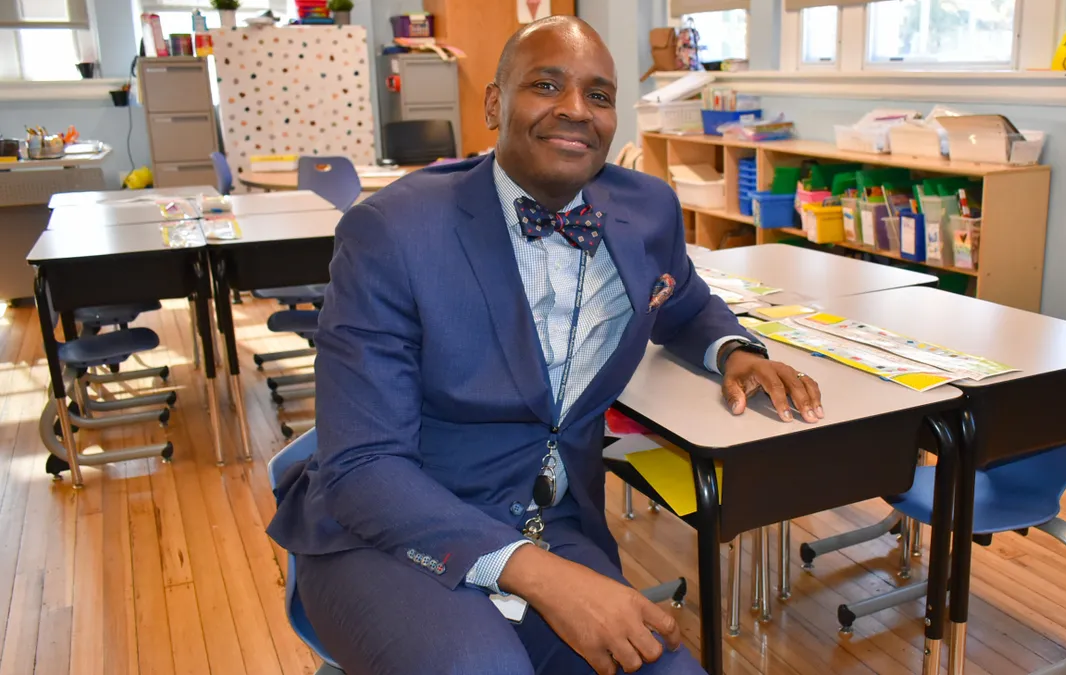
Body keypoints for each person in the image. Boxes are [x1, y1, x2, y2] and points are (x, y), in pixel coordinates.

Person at [267, 15, 824, 675]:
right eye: (546, 84)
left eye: (598, 94)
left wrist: (737, 352)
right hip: (388, 529)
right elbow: (364, 469)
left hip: (551, 522)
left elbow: (685, 300)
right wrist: (545, 578)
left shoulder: (645, 208)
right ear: (495, 103)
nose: (574, 110)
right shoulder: (393, 231)